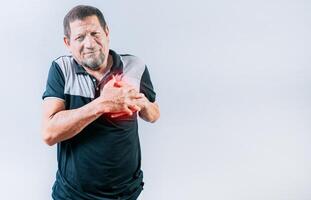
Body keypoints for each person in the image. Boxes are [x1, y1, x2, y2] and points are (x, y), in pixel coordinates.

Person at [41, 5, 160, 200]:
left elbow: (154, 114)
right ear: (67, 43)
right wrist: (102, 104)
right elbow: (49, 133)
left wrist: (144, 104)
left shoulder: (135, 66)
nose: (90, 44)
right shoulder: (62, 69)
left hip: (127, 193)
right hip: (73, 195)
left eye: (95, 33)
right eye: (80, 37)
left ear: (106, 32)